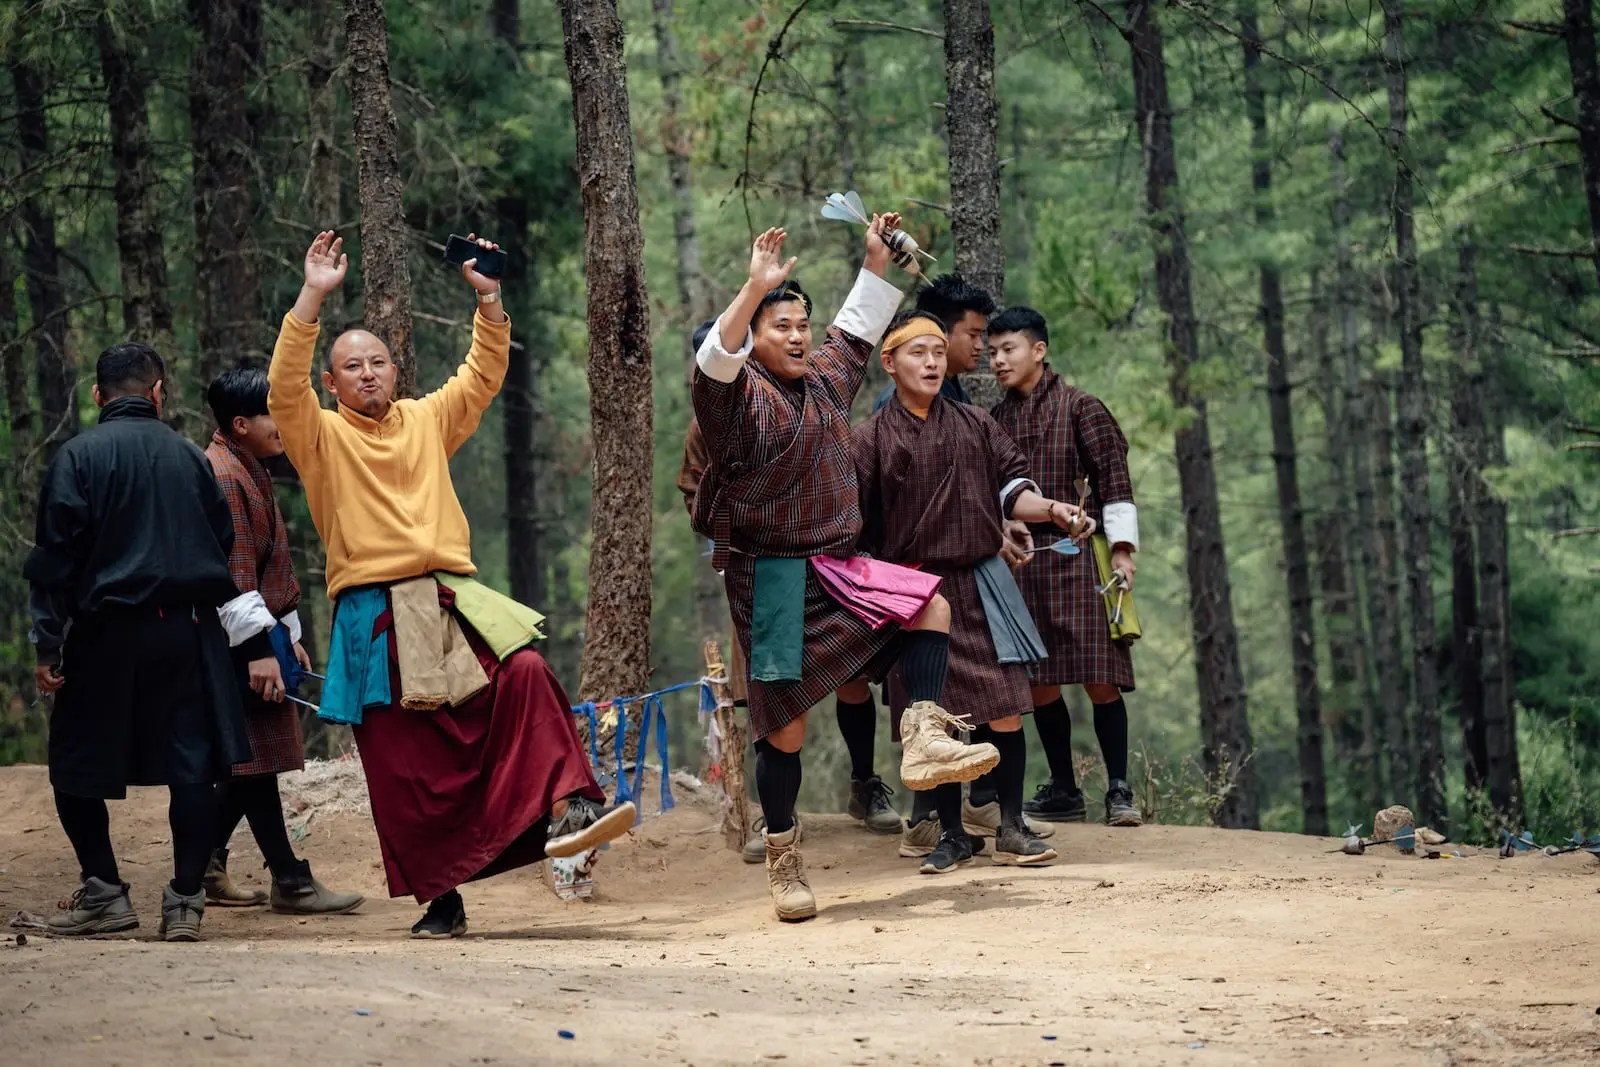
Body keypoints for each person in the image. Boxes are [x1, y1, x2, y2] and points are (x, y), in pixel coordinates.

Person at [267, 231, 634, 939]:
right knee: (406, 770)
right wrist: (313, 295)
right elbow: (285, 386)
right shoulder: (318, 437)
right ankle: (442, 898)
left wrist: (489, 297)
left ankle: (570, 806)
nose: (367, 374)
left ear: (396, 371)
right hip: (372, 616)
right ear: (332, 383)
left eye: (378, 361)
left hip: (446, 601)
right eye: (351, 366)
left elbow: (481, 374)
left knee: (524, 674)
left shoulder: (426, 420)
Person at [692, 218, 1000, 922]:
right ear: (754, 341)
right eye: (782, 327)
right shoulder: (736, 406)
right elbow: (713, 363)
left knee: (931, 606)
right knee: (786, 733)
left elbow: (858, 328)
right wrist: (752, 288)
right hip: (770, 578)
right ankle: (784, 857)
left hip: (837, 562)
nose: (799, 336)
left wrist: (872, 260)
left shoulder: (826, 382)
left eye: (803, 323)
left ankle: (922, 729)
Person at [26, 342, 252, 943]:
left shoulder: (77, 457)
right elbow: (221, 540)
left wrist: (48, 645)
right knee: (193, 767)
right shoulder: (191, 458)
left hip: (104, 635)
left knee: (74, 765)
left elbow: (55, 560)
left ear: (99, 396)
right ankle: (184, 901)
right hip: (187, 630)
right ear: (157, 393)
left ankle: (104, 892)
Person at [855, 311, 1092, 871]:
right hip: (917, 595)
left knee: (1007, 710)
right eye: (919, 353)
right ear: (889, 363)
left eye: (939, 352)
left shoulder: (976, 423)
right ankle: (953, 835)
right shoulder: (868, 439)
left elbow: (1013, 488)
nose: (933, 362)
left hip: (983, 580)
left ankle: (1010, 828)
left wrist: (1054, 510)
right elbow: (855, 523)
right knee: (932, 722)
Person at [201, 367, 365, 915]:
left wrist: (286, 635)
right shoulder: (223, 475)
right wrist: (257, 650)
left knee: (254, 761)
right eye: (272, 414)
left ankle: (205, 862)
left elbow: (271, 569)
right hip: (236, 645)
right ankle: (291, 880)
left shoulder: (251, 465)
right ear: (241, 424)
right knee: (256, 760)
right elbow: (232, 571)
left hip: (257, 636)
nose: (283, 424)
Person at [988, 307, 1143, 827]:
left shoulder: (1083, 407)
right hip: (1025, 559)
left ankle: (1119, 790)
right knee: (1038, 680)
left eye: (1008, 349)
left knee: (1100, 676)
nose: (998, 361)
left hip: (1083, 556)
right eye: (991, 352)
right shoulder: (995, 419)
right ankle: (1064, 788)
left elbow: (1114, 480)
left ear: (1039, 349)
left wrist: (1122, 551)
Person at [870, 273, 996, 413]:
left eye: (980, 336)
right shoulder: (902, 399)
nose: (980, 346)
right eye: (973, 335)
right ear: (939, 332)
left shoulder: (957, 395)